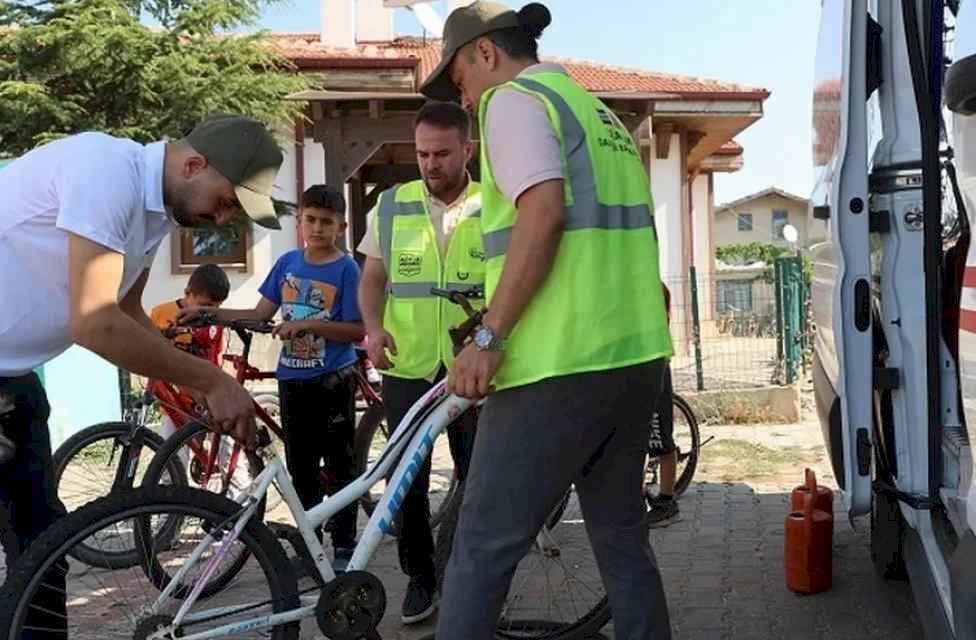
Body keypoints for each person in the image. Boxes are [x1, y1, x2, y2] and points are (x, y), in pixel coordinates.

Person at [423, 3, 675, 638]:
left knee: (480, 550)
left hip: (557, 365)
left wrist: (488, 336)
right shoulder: (600, 115)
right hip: (634, 360)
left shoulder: (512, 101)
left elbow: (542, 216)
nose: (467, 97)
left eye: (460, 81)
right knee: (622, 542)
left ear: (485, 53)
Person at [0, 114, 282, 636]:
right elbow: (95, 322)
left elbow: (127, 311)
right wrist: (210, 381)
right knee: (35, 554)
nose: (223, 221)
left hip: (13, 383)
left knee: (43, 554)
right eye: (225, 202)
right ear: (194, 163)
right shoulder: (106, 171)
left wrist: (187, 385)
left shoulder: (155, 215)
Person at [182, 185, 364, 568]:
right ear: (299, 221)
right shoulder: (286, 264)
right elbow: (262, 312)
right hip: (293, 381)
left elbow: (356, 329)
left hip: (334, 378)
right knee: (301, 469)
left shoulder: (347, 269)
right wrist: (209, 314)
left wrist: (308, 325)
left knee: (340, 465)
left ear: (341, 227)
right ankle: (311, 548)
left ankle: (346, 546)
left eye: (326, 222)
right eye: (310, 220)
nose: (317, 228)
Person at [356, 100, 484, 625]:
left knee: (481, 476)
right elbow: (371, 280)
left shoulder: (497, 203)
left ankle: (471, 574)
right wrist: (372, 326)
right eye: (422, 153)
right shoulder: (391, 205)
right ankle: (420, 577)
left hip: (476, 364)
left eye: (441, 153)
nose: (430, 164)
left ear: (467, 150)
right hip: (409, 365)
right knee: (406, 478)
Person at [148, 263, 232, 447]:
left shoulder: (214, 320)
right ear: (188, 293)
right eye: (205, 306)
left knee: (224, 450)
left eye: (217, 307)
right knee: (172, 458)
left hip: (207, 398)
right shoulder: (161, 313)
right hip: (174, 401)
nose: (210, 312)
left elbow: (215, 355)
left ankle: (236, 474)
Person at [646, 282, 679, 528]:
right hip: (636, 368)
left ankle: (667, 503)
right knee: (635, 443)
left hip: (653, 366)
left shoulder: (654, 289)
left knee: (660, 439)